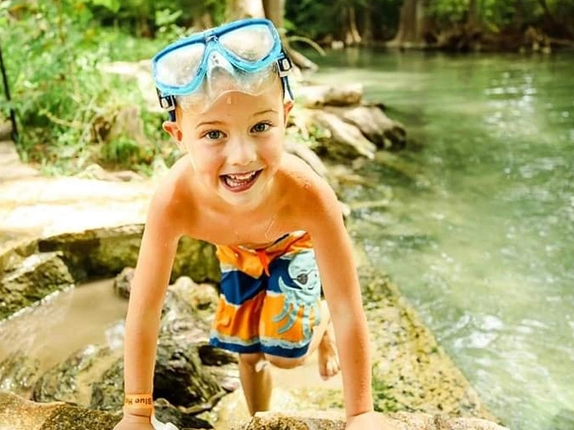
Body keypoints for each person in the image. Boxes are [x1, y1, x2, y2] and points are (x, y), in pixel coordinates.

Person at [113, 17, 380, 430]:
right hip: (235, 251)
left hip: (289, 244)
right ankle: (259, 419)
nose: (241, 156)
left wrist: (361, 414)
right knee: (247, 350)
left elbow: (349, 306)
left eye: (260, 126)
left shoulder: (308, 194)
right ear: (178, 135)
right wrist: (137, 413)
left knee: (282, 353)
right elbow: (144, 312)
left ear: (285, 116)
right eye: (213, 134)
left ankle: (316, 321)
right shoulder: (174, 200)